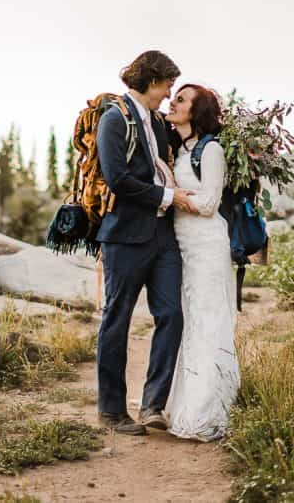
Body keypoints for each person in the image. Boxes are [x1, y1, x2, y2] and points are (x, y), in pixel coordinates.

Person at [95, 50, 197, 436]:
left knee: (171, 315)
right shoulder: (113, 119)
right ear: (153, 80)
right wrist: (170, 198)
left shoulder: (156, 122)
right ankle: (111, 410)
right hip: (125, 236)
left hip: (162, 237)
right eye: (169, 84)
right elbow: (117, 179)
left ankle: (153, 405)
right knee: (116, 320)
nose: (170, 92)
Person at [163, 83, 240, 441]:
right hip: (184, 248)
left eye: (181, 99)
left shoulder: (211, 150)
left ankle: (207, 413)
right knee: (190, 324)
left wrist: (172, 197)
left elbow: (209, 204)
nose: (172, 102)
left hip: (208, 248)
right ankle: (185, 406)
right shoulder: (178, 151)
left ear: (197, 112)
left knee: (209, 323)